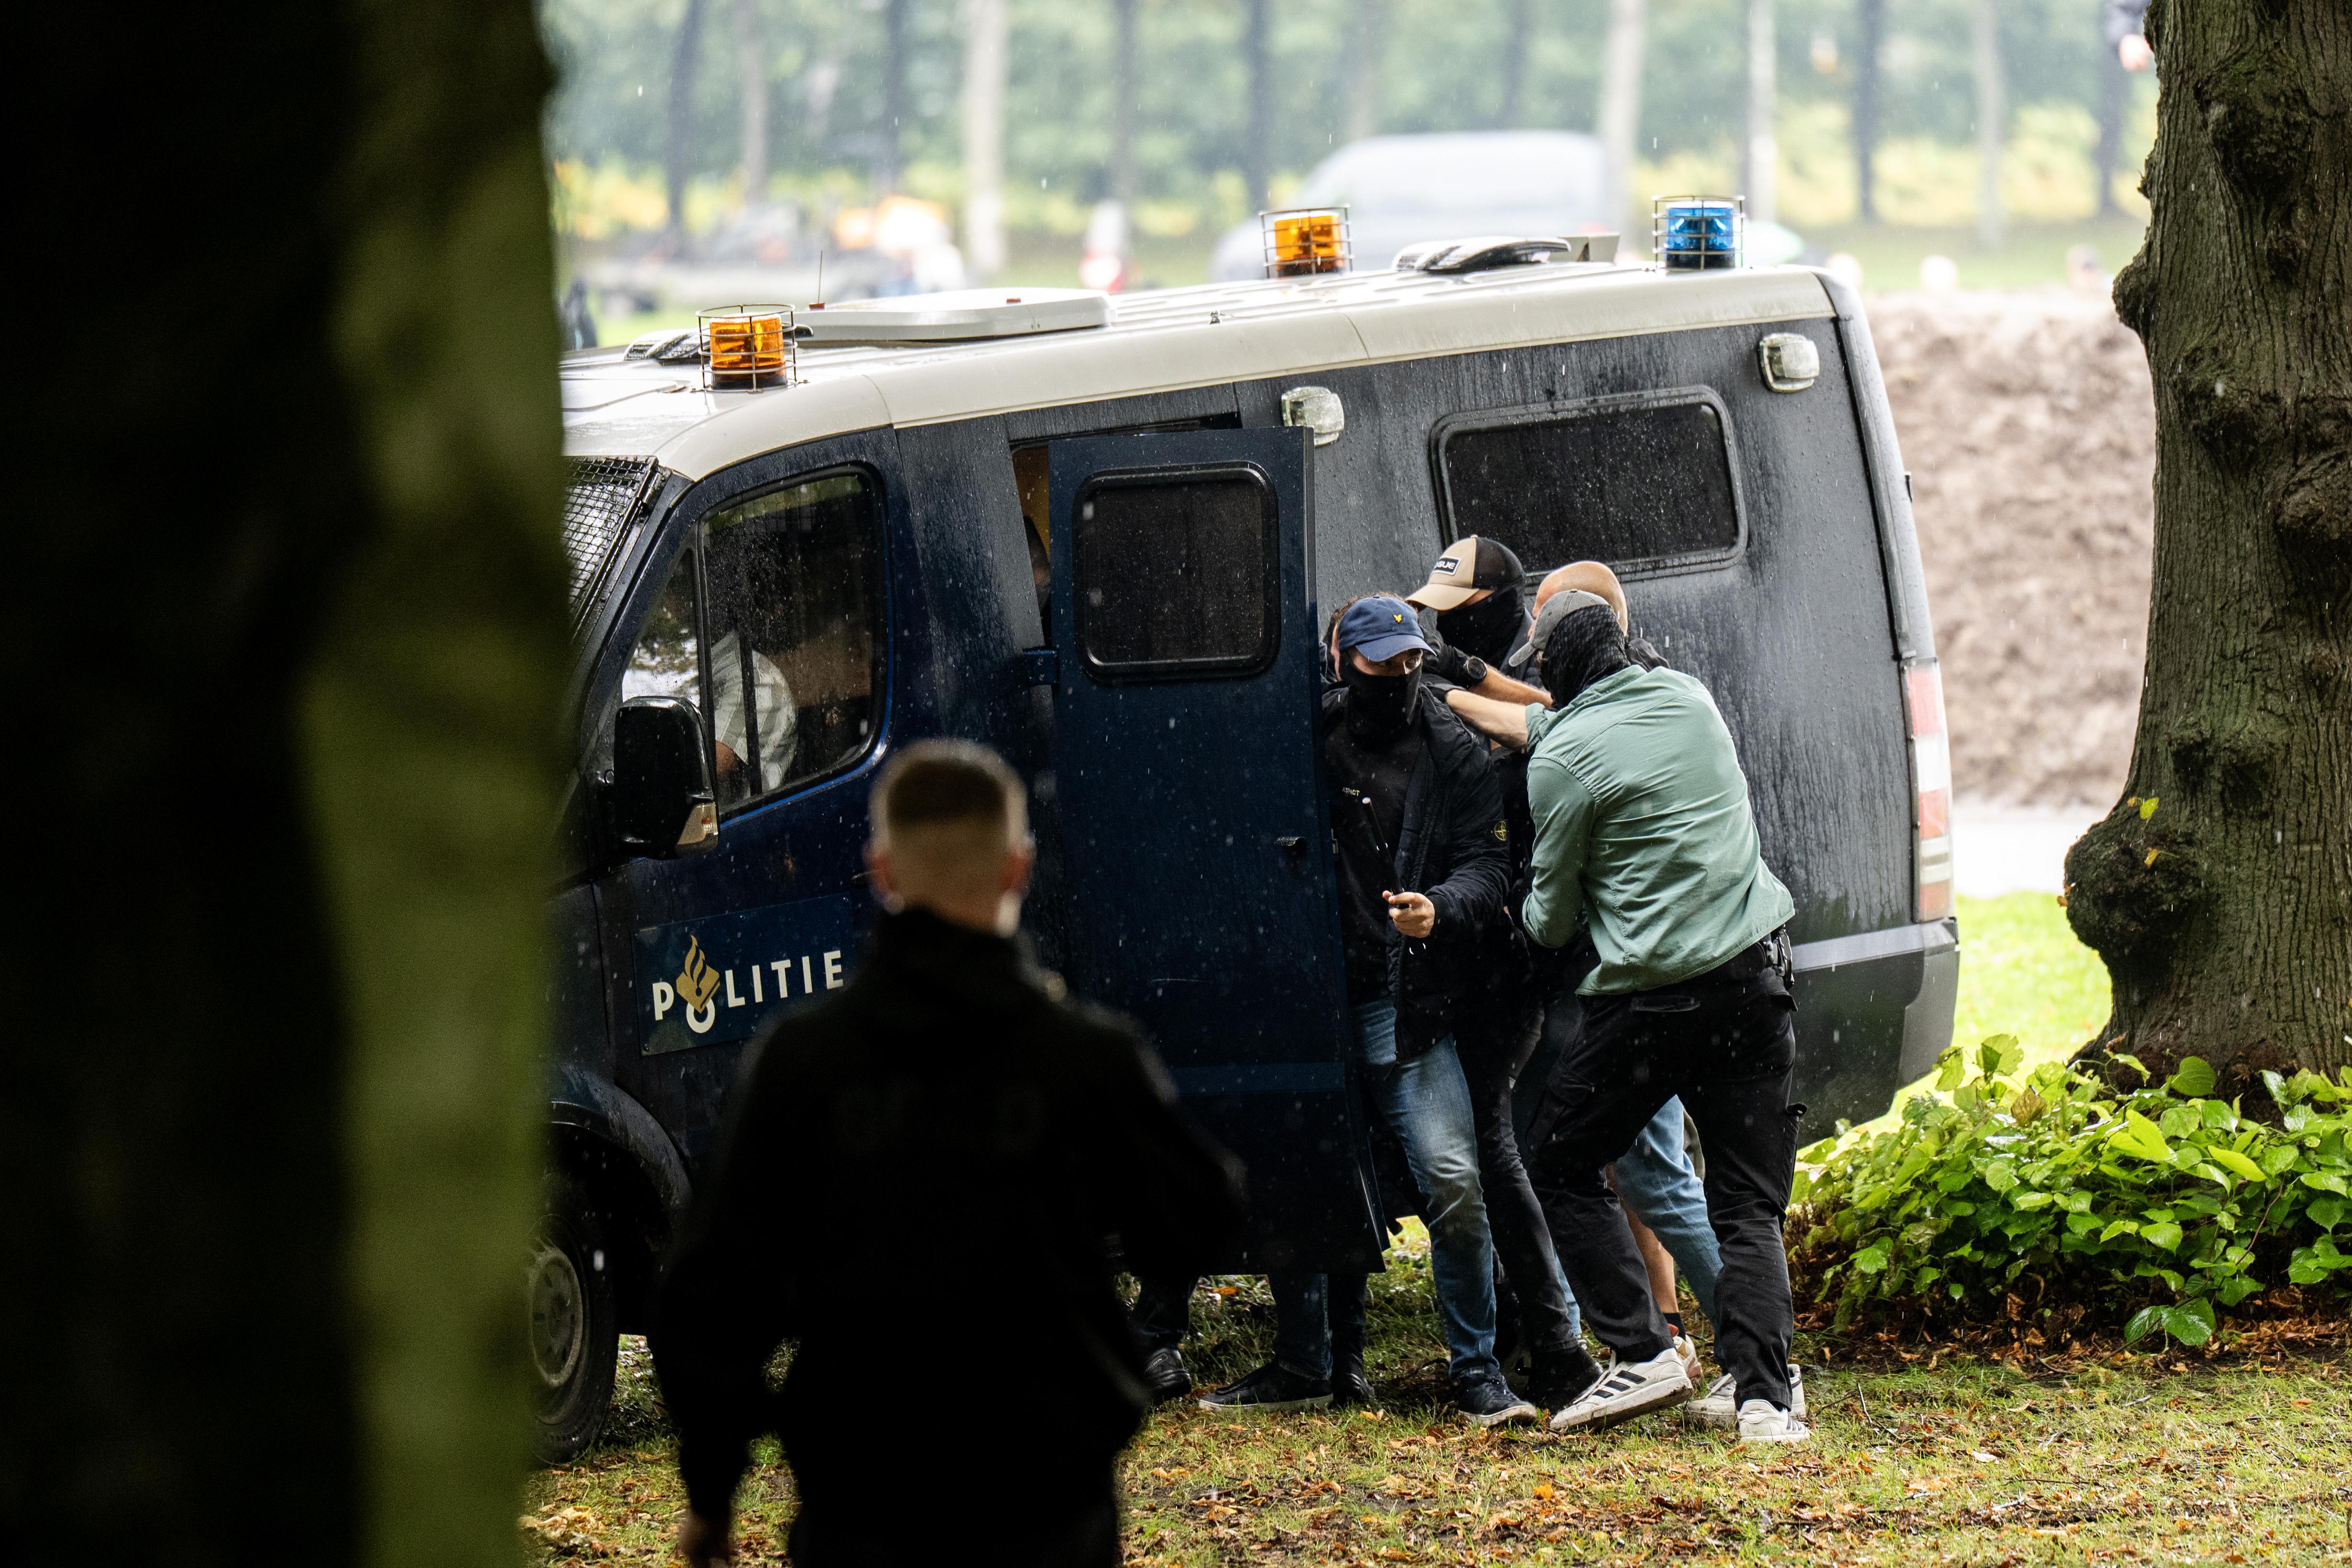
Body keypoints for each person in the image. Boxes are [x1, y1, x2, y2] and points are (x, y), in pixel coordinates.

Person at [652, 740, 1245, 1567]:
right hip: (1047, 1493)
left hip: (863, 1492)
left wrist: (712, 1490)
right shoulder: (1083, 1056)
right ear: (1018, 869)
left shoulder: (804, 1060)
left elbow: (715, 1293)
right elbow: (1199, 1216)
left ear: (881, 871)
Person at [1459, 584, 1806, 1443]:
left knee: (1558, 1158)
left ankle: (1642, 1350)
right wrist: (1464, 688)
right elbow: (1563, 725)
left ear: (1556, 669)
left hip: (1654, 1003)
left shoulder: (1560, 764)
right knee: (1746, 1204)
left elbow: (1550, 920)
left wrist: (1521, 904)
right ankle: (1767, 1401)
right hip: (1754, 983)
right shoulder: (1689, 698)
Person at [1198, 594, 1538, 1427]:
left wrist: (1437, 908)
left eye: (1411, 660)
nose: (1400, 675)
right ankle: (1311, 1362)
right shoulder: (1302, 735)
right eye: (1381, 663)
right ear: (1342, 661)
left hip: (1400, 1002)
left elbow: (1488, 865)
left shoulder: (1449, 747)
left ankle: (1476, 1373)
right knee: (1301, 1178)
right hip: (1307, 1001)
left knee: (1453, 1182)